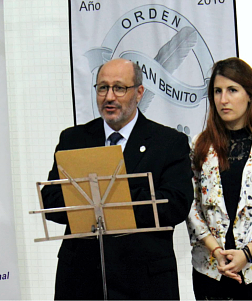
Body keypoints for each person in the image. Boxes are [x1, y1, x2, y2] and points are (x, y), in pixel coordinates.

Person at [41, 58, 194, 300]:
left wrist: (112, 196)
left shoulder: (168, 143)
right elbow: (50, 200)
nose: (109, 97)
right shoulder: (74, 139)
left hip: (144, 282)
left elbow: (176, 205)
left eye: (119, 88)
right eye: (103, 87)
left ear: (139, 92)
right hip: (81, 279)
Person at [187, 57, 252, 300]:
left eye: (232, 90)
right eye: (217, 91)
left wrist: (247, 252)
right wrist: (215, 250)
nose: (223, 99)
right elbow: (191, 206)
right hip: (212, 269)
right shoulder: (200, 145)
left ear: (251, 94)